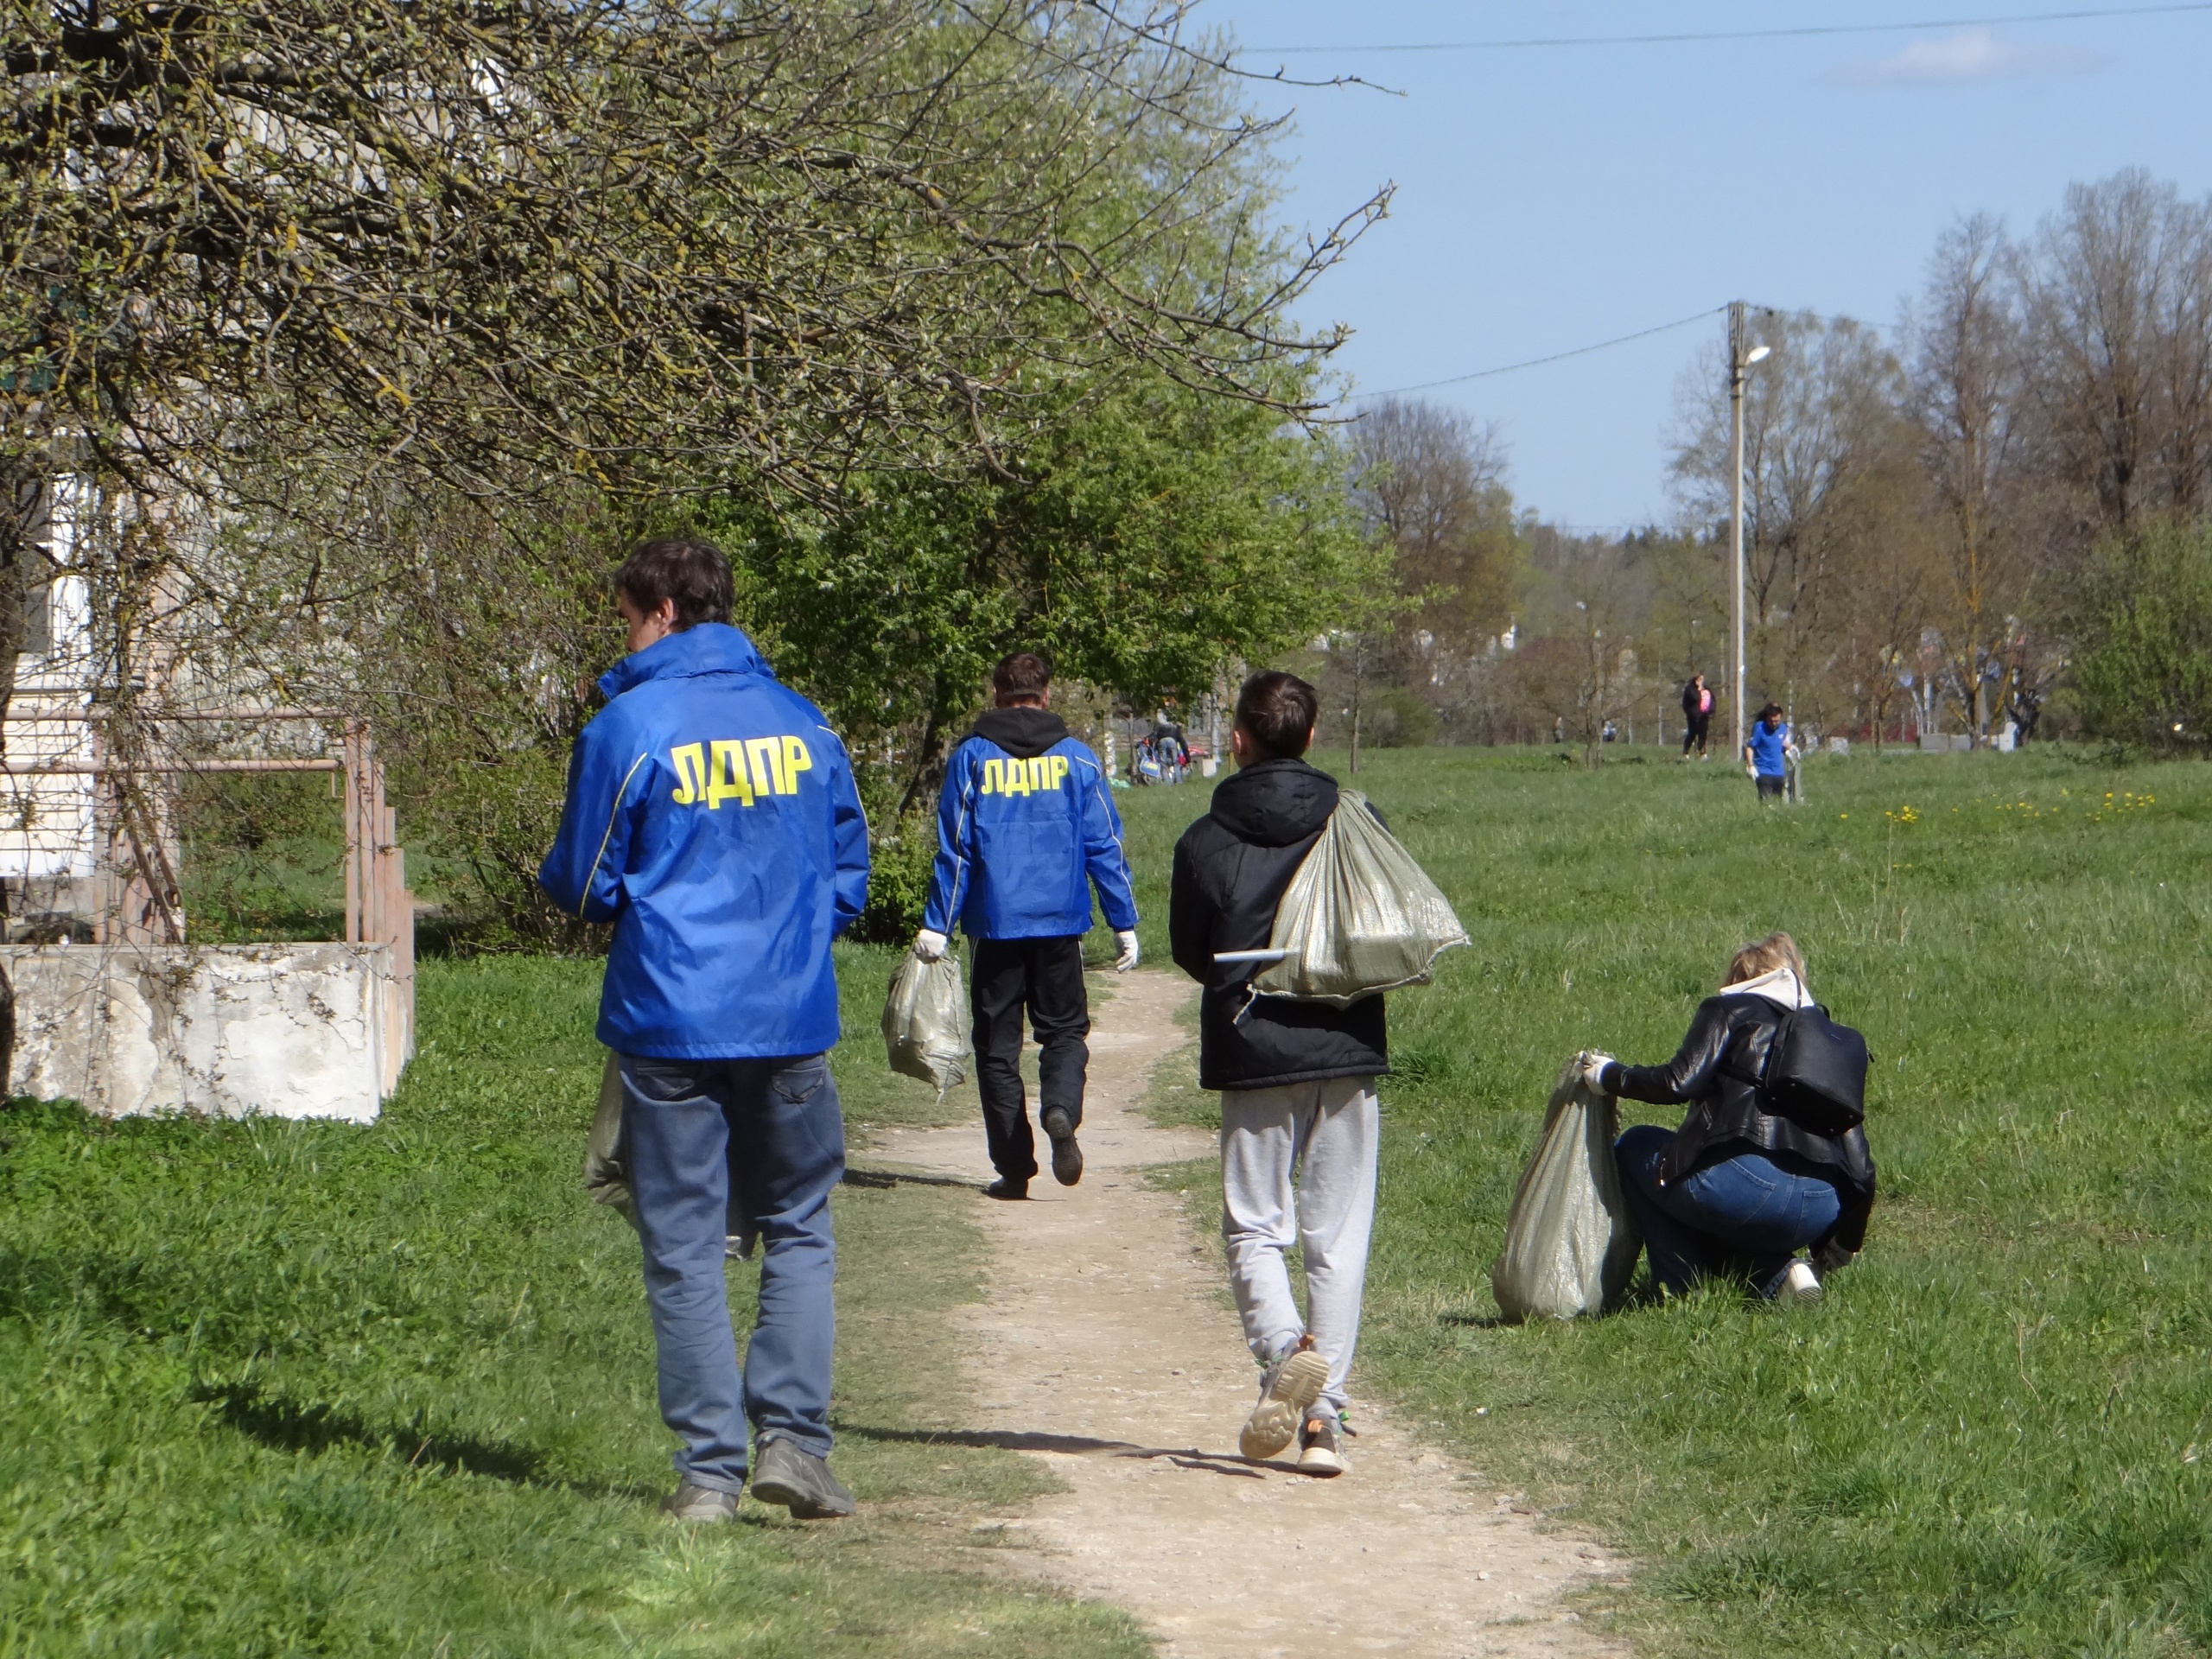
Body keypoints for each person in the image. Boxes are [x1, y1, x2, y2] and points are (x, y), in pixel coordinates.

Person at [540, 537, 870, 1524]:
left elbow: (583, 883)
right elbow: (847, 875)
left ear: (665, 613)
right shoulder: (805, 723)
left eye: (628, 621)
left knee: (684, 1245)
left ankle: (709, 1479)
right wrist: (788, 945)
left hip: (668, 1022)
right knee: (800, 1226)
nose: (625, 641)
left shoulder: (628, 727)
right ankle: (795, 1445)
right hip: (789, 1020)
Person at [1168, 670, 1386, 1478]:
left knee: (1255, 1225)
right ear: (1313, 736)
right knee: (1339, 1238)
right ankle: (1325, 1418)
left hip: (1251, 1044)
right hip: (1346, 1041)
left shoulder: (1204, 840)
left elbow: (1192, 952)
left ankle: (1286, 1354)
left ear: (1237, 741)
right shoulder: (1356, 821)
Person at [916, 652, 1139, 1200]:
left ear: (996, 694)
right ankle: (1060, 1107)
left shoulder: (972, 758)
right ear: (1046, 695)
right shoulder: (1078, 759)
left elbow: (956, 849)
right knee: (1063, 1032)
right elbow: (1104, 845)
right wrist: (1124, 921)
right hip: (1060, 924)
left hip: (994, 927)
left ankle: (1015, 1169)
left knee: (998, 1050)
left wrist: (938, 924)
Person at [1583, 931, 1874, 1307]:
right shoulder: (1829, 1042)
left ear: (1741, 978)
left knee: (1636, 1147)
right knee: (1725, 1215)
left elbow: (1677, 1082)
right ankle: (1780, 1273)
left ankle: (1681, 1289)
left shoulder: (1731, 1008)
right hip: (1820, 1206)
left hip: (1746, 1188)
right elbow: (1862, 1169)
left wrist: (1609, 1076)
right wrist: (1845, 1243)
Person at [1745, 702, 1790, 800]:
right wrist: (1750, 765)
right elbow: (1750, 747)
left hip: (1779, 773)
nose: (1774, 724)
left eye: (1777, 721)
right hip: (1764, 771)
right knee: (1766, 801)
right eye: (1771, 721)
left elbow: (1781, 745)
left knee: (1777, 802)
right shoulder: (1759, 727)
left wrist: (1789, 749)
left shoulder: (1783, 728)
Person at [1681, 672, 1713, 759]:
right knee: (1692, 733)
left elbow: (1712, 699)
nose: (1701, 682)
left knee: (1703, 734)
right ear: (1695, 680)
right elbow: (1696, 698)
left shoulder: (1706, 688)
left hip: (1704, 715)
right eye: (1700, 680)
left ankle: (1702, 753)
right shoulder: (1690, 689)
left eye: (1702, 680)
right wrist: (1699, 690)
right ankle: (1685, 752)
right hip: (1693, 716)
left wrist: (1711, 711)